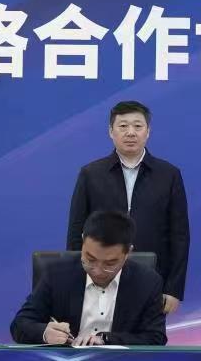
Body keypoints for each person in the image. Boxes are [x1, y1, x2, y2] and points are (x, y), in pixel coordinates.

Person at [68, 101, 190, 315]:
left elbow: (179, 235)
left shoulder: (169, 175)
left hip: (152, 280)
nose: (130, 132)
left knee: (147, 336)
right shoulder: (91, 174)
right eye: (123, 126)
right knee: (100, 334)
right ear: (111, 131)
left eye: (137, 126)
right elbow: (76, 232)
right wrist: (77, 281)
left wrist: (173, 289)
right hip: (99, 278)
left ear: (148, 131)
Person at [12, 210, 168, 346]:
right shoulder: (57, 274)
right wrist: (45, 333)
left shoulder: (147, 282)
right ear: (83, 241)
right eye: (90, 259)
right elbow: (20, 324)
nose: (98, 271)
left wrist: (106, 339)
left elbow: (156, 337)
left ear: (128, 253)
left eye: (110, 263)